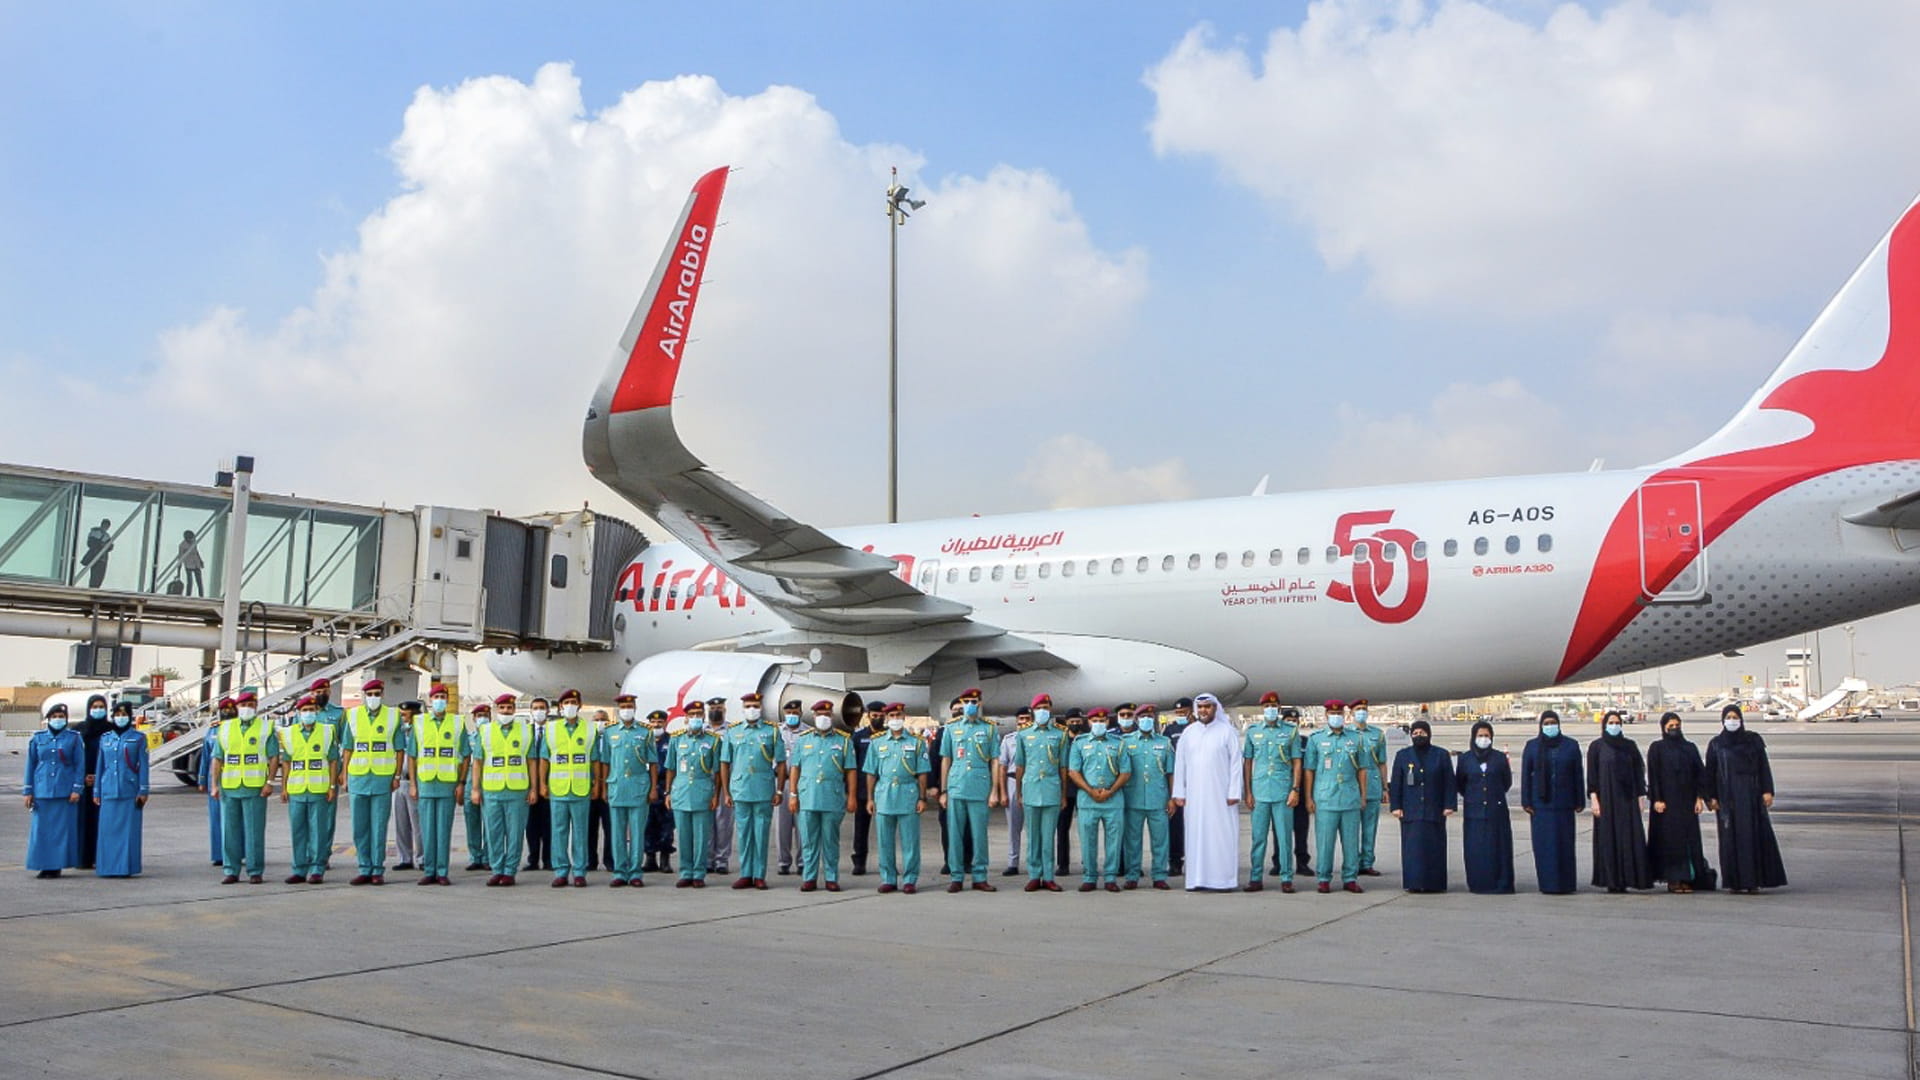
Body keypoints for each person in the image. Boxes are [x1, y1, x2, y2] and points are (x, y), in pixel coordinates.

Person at [1703, 705, 1787, 894]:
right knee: (1730, 839)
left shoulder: (1753, 740)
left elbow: (1763, 766)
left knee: (1752, 837)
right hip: (1727, 799)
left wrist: (1767, 790)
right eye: (1728, 717)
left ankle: (1753, 881)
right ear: (1723, 720)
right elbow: (1710, 772)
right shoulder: (1716, 744)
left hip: (1751, 796)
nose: (1732, 720)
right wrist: (1711, 797)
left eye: (1735, 717)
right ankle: (1734, 881)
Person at [1172, 692, 1244, 892]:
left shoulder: (1226, 731)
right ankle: (1196, 879)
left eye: (1208, 707)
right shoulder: (1189, 732)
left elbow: (1236, 764)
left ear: (1215, 708)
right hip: (1194, 797)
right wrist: (1179, 792)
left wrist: (1234, 792)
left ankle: (1223, 881)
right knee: (1196, 836)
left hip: (1222, 797)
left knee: (1222, 836)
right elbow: (1180, 764)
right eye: (1200, 707)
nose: (1204, 710)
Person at [342, 678, 407, 886]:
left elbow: (399, 750)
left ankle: (377, 869)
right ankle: (364, 868)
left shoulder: (392, 716)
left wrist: (397, 776)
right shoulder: (352, 716)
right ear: (364, 696)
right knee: (359, 827)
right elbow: (348, 749)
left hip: (382, 778)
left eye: (376, 694)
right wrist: (344, 775)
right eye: (369, 695)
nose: (373, 698)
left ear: (382, 694)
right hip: (359, 777)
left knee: (379, 826)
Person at [788, 700, 856, 892]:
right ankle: (809, 878)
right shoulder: (803, 739)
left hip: (832, 798)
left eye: (826, 714)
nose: (823, 718)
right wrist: (792, 794)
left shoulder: (843, 741)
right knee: (808, 841)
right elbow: (795, 768)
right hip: (808, 797)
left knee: (831, 841)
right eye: (819, 715)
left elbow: (850, 770)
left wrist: (851, 796)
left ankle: (831, 878)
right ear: (813, 716)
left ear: (832, 716)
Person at [720, 691, 785, 890]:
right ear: (742, 708)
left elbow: (781, 763)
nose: (752, 710)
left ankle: (759, 874)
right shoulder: (733, 732)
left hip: (763, 790)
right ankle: (745, 873)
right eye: (748, 706)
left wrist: (780, 790)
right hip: (740, 789)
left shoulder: (772, 731)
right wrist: (727, 792)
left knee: (761, 833)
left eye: (755, 706)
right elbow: (724, 762)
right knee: (743, 834)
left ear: (761, 708)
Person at [863, 703, 930, 893]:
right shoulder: (877, 742)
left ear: (904, 716)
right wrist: (869, 798)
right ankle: (888, 878)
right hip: (884, 795)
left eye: (898, 714)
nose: (895, 718)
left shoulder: (917, 742)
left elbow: (923, 772)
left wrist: (922, 798)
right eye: (891, 715)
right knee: (884, 842)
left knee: (910, 842)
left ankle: (910, 880)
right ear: (886, 718)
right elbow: (870, 773)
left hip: (908, 793)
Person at [212, 690, 277, 884]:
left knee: (254, 830)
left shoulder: (266, 727)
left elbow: (274, 757)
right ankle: (231, 870)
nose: (247, 709)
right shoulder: (225, 728)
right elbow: (217, 758)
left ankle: (255, 870)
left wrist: (270, 782)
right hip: (230, 786)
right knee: (229, 830)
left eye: (250, 706)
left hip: (255, 787)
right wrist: (214, 785)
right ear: (237, 708)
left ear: (256, 707)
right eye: (243, 706)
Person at [1304, 700, 1368, 893]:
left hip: (1349, 798)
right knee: (1324, 843)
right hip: (1325, 799)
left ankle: (1350, 878)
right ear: (1326, 715)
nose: (1336, 716)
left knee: (1351, 842)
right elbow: (1309, 770)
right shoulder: (1316, 739)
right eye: (1332, 713)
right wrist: (1308, 797)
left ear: (1345, 715)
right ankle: (1323, 878)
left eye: (1339, 712)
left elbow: (1362, 770)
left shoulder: (1356, 738)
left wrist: (1363, 796)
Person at [940, 688, 999, 892]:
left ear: (980, 703)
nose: (971, 705)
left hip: (979, 787)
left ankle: (980, 876)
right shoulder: (951, 728)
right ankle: (956, 876)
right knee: (954, 834)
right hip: (956, 786)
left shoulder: (990, 729)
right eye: (967, 701)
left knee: (979, 835)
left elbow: (995, 761)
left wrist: (995, 791)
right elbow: (946, 759)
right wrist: (943, 790)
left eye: (974, 701)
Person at [1389, 718, 1457, 893]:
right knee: (1413, 850)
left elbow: (1449, 781)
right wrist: (1395, 806)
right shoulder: (1403, 755)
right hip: (1410, 811)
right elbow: (1396, 783)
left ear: (1429, 734)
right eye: (1415, 733)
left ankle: (1435, 883)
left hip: (1434, 810)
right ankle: (1414, 883)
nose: (1419, 736)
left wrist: (1449, 804)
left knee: (1435, 848)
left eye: (1422, 733)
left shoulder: (1441, 755)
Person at [542, 688, 601, 887]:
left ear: (580, 706)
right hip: (558, 789)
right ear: (560, 707)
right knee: (558, 831)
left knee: (580, 832)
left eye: (573, 703)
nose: (570, 706)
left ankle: (579, 871)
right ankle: (560, 871)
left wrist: (597, 784)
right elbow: (544, 759)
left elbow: (595, 761)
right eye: (566, 703)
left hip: (581, 788)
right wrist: (542, 783)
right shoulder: (551, 729)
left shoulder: (590, 729)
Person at [279, 694, 341, 884]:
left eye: (312, 710)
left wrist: (332, 786)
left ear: (316, 712)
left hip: (319, 789)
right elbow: (286, 763)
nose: (308, 714)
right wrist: (284, 787)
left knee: (319, 831)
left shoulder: (327, 731)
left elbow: (332, 761)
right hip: (297, 789)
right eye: (305, 711)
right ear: (298, 713)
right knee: (298, 831)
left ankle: (317, 869)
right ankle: (299, 869)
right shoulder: (288, 733)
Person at [1645, 711, 1710, 893]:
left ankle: (1687, 878)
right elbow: (1653, 775)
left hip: (1687, 803)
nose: (1674, 729)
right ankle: (1673, 879)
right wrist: (1657, 799)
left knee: (1689, 841)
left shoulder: (1689, 747)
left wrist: (1699, 798)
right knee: (1669, 842)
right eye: (1670, 726)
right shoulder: (1657, 748)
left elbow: (1700, 774)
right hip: (1666, 804)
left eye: (1677, 725)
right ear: (1664, 727)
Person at [1521, 710, 1584, 895]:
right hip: (1541, 805)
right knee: (1545, 847)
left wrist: (1579, 800)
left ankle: (1566, 884)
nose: (1550, 726)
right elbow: (1526, 775)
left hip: (1564, 804)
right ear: (1541, 725)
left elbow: (1578, 775)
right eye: (1546, 723)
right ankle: (1548, 884)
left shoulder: (1571, 745)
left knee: (1564, 846)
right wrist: (1526, 801)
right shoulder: (1532, 746)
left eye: (1553, 723)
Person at [1588, 710, 1651, 893]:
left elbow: (1639, 772)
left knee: (1628, 838)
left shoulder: (1629, 746)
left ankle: (1629, 878)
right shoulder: (1597, 747)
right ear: (1604, 724)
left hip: (1627, 799)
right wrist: (1594, 799)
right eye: (1611, 722)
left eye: (1617, 722)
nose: (1614, 726)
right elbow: (1592, 776)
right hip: (1606, 799)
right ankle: (1611, 880)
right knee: (1608, 838)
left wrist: (1641, 797)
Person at [1068, 707, 1130, 892]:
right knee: (1087, 840)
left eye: (1102, 721)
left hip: (1113, 799)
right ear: (1089, 722)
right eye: (1095, 721)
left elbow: (1126, 772)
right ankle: (1090, 876)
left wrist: (1110, 791)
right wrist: (1090, 790)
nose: (1099, 724)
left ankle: (1110, 877)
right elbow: (1073, 771)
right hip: (1088, 799)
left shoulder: (1119, 743)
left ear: (1108, 722)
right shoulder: (1079, 743)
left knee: (1114, 840)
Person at [1242, 695, 1300, 893]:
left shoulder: (1290, 731)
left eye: (1273, 706)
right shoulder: (1253, 731)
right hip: (1260, 792)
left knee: (1284, 838)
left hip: (1283, 792)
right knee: (1258, 838)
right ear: (1262, 709)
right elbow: (1248, 762)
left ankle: (1286, 878)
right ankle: (1255, 877)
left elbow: (1297, 762)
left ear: (1279, 708)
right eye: (1267, 706)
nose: (1270, 709)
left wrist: (1295, 789)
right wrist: (1248, 792)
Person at [474, 694, 535, 886]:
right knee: (494, 833)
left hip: (518, 791)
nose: (506, 712)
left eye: (509, 708)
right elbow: (477, 762)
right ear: (496, 710)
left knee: (515, 833)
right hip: (492, 791)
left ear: (514, 710)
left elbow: (531, 762)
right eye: (502, 709)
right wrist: (475, 789)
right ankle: (497, 869)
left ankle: (510, 871)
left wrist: (533, 788)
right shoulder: (485, 731)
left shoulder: (526, 731)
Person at [409, 684, 466, 885]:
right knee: (427, 830)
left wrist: (461, 782)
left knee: (443, 831)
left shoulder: (457, 723)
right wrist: (413, 784)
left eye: (443, 696)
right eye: (436, 697)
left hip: (447, 785)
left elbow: (465, 755)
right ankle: (429, 869)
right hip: (426, 784)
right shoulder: (420, 723)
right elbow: (413, 756)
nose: (440, 700)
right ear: (430, 700)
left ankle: (442, 871)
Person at [1012, 693, 1069, 892]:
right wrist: (1018, 793)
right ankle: (1034, 875)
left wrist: (1063, 794)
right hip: (1031, 789)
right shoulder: (1024, 734)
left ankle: (1049, 876)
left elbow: (1063, 767)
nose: (1043, 711)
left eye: (1046, 707)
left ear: (1050, 710)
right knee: (1033, 837)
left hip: (1052, 791)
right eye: (1039, 708)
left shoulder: (1060, 734)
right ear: (1033, 711)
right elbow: (1020, 765)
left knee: (1048, 837)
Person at [601, 697, 660, 887]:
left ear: (635, 708)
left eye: (630, 707)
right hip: (617, 787)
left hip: (638, 788)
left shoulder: (645, 731)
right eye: (623, 707)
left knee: (637, 832)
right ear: (618, 709)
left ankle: (635, 872)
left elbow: (653, 763)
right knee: (617, 833)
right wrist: (603, 787)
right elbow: (605, 762)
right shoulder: (610, 732)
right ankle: (619, 872)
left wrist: (653, 788)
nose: (627, 710)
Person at [665, 701, 723, 888]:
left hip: (703, 791)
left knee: (701, 836)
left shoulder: (713, 741)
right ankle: (685, 871)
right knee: (683, 835)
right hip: (681, 792)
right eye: (692, 714)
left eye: (699, 714)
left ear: (703, 717)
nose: (696, 718)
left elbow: (717, 772)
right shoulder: (677, 739)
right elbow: (671, 768)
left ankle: (699, 873)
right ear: (686, 718)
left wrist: (716, 795)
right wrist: (668, 792)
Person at [24, 703, 84, 877]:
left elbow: (79, 765)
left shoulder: (73, 738)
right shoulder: (38, 738)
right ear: (48, 719)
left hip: (64, 790)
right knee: (41, 831)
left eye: (61, 717)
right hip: (42, 790)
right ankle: (43, 864)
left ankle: (56, 865)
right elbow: (31, 765)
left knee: (60, 831)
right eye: (54, 717)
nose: (58, 720)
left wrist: (76, 789)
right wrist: (28, 791)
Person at [1455, 720, 1515, 895]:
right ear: (1473, 737)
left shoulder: (1499, 758)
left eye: (1486, 736)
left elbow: (1506, 782)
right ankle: (1479, 883)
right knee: (1476, 848)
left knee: (1499, 847)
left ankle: (1501, 883)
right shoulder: (1465, 758)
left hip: (1496, 810)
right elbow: (1460, 783)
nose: (1483, 739)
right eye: (1480, 736)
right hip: (1474, 811)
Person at [93, 701, 149, 877]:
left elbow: (144, 766)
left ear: (129, 716)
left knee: (127, 832)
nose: (120, 718)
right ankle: (107, 868)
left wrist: (143, 790)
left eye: (124, 714)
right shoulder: (105, 738)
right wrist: (96, 790)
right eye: (117, 715)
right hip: (108, 788)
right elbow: (100, 766)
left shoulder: (138, 738)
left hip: (129, 789)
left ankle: (125, 868)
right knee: (107, 832)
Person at [1122, 704, 1174, 889]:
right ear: (1136, 720)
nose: (1146, 720)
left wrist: (1171, 797)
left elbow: (1170, 772)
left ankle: (1159, 875)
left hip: (1158, 798)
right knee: (1132, 841)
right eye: (1143, 716)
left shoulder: (1164, 743)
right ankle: (1132, 875)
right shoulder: (1126, 742)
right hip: (1132, 798)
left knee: (1160, 839)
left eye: (1150, 717)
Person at [308, 678, 345, 871]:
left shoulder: (338, 714)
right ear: (311, 693)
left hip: (330, 770)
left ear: (329, 692)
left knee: (327, 816)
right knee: (306, 815)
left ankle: (323, 854)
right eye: (317, 691)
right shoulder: (303, 712)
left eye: (324, 690)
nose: (320, 694)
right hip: (306, 772)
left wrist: (343, 771)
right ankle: (307, 852)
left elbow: (345, 744)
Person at [1350, 698, 1388, 877]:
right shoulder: (1346, 733)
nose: (1361, 712)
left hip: (1372, 786)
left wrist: (1385, 788)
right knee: (1351, 828)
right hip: (1351, 787)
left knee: (1369, 828)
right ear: (1351, 713)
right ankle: (1352, 862)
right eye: (1358, 709)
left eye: (1364, 709)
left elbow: (1382, 763)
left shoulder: (1377, 734)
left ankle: (1367, 862)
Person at [199, 697, 236, 865]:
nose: (228, 712)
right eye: (225, 710)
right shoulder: (212, 732)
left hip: (235, 779)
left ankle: (236, 853)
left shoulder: (240, 730)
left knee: (235, 819)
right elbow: (205, 757)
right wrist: (202, 780)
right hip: (215, 781)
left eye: (231, 709)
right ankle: (218, 854)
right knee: (216, 818)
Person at [77, 693, 111, 870]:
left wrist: (98, 777)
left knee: (101, 820)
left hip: (104, 782)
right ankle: (83, 858)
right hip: (83, 782)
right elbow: (73, 756)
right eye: (94, 707)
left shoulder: (111, 730)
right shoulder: (80, 729)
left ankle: (101, 856)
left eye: (101, 707)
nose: (98, 710)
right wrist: (83, 775)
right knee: (83, 820)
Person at [849, 702, 883, 875]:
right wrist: (851, 792)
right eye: (874, 715)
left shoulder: (889, 734)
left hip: (885, 790)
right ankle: (859, 861)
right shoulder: (858, 737)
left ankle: (887, 862)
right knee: (861, 828)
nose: (878, 719)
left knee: (887, 828)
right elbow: (851, 765)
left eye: (880, 715)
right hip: (863, 790)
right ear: (868, 715)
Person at [389, 700, 423, 872]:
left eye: (405, 715)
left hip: (414, 781)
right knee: (401, 823)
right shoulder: (398, 732)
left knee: (417, 823)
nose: (402, 718)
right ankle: (405, 858)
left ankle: (422, 857)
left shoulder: (421, 732)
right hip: (399, 781)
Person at [996, 705, 1029, 876]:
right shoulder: (1009, 740)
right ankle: (1012, 862)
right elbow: (1002, 767)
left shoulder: (1037, 739)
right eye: (1020, 720)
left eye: (1027, 719)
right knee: (1013, 828)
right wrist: (1002, 792)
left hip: (1031, 783)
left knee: (1033, 827)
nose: (1023, 723)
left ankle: (1033, 862)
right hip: (1011, 781)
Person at [1055, 706, 1088, 877]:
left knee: (1086, 828)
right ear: (1066, 722)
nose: (1075, 724)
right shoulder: (1061, 740)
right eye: (1072, 721)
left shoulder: (1087, 740)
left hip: (1083, 789)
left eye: (1077, 721)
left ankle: (1087, 862)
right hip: (1065, 790)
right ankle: (1063, 864)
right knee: (1062, 828)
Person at [522, 696, 553, 872]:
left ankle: (548, 859)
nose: (539, 711)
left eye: (542, 708)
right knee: (531, 825)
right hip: (528, 785)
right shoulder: (525, 731)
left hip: (550, 785)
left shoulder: (553, 730)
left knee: (549, 825)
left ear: (548, 711)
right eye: (535, 708)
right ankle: (533, 859)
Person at [644, 712, 677, 874]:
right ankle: (650, 859)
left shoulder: (672, 741)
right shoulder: (643, 741)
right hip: (647, 786)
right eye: (653, 721)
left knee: (667, 825)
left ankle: (665, 860)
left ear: (666, 723)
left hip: (665, 785)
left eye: (660, 721)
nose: (656, 725)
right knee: (647, 824)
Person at [774, 700, 804, 874]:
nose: (792, 714)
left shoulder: (808, 732)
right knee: (782, 825)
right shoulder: (777, 731)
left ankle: (802, 862)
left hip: (801, 783)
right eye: (788, 711)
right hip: (781, 781)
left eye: (795, 711)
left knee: (802, 825)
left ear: (800, 712)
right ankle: (783, 862)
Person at [705, 697, 734, 876]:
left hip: (725, 783)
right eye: (713, 707)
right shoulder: (702, 730)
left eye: (719, 707)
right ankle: (707, 860)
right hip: (705, 782)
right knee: (707, 823)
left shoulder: (732, 730)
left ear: (725, 709)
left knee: (724, 823)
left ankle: (722, 860)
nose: (716, 710)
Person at [461, 699, 491, 871]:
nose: (482, 719)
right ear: (473, 718)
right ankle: (475, 857)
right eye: (479, 716)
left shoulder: (492, 737)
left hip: (488, 782)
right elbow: (463, 760)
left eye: (485, 716)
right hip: (470, 783)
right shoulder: (469, 738)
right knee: (471, 821)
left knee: (489, 822)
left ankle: (488, 856)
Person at [585, 709, 615, 873]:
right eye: (596, 719)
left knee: (610, 828)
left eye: (603, 719)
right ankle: (590, 861)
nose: (600, 722)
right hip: (589, 789)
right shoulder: (588, 739)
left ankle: (610, 860)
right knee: (590, 828)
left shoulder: (613, 738)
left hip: (609, 790)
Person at [1166, 697, 1192, 875]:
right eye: (1178, 713)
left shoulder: (1198, 728)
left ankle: (1198, 860)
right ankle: (1175, 861)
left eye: (1183, 712)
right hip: (1178, 781)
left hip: (1197, 782)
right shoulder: (1170, 729)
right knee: (1175, 824)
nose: (1180, 715)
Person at [82, 516, 113, 589]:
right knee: (94, 575)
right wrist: (101, 544)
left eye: (107, 526)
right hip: (95, 556)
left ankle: (95, 587)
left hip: (102, 559)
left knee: (100, 575)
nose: (106, 527)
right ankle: (93, 587)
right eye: (105, 525)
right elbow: (91, 543)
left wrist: (105, 545)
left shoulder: (107, 536)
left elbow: (110, 547)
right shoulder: (95, 532)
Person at [178, 529, 205, 596]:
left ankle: (201, 596)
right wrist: (178, 572)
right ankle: (188, 595)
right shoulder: (182, 545)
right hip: (188, 564)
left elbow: (196, 551)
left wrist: (200, 560)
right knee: (190, 582)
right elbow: (180, 558)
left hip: (196, 563)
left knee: (199, 581)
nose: (191, 539)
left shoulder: (194, 541)